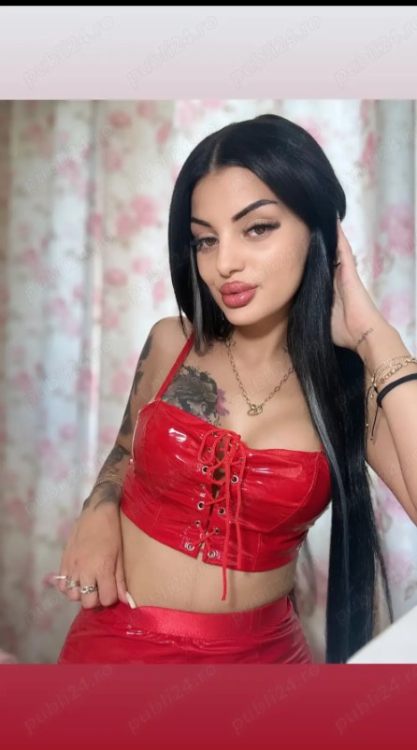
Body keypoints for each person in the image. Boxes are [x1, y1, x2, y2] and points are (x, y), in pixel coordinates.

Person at [55, 113, 417, 664]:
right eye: (205, 240)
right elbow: (125, 453)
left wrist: (375, 336)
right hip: (117, 644)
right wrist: (98, 509)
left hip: (264, 665)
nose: (224, 264)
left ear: (319, 231)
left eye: (257, 228)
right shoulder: (171, 343)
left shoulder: (349, 389)